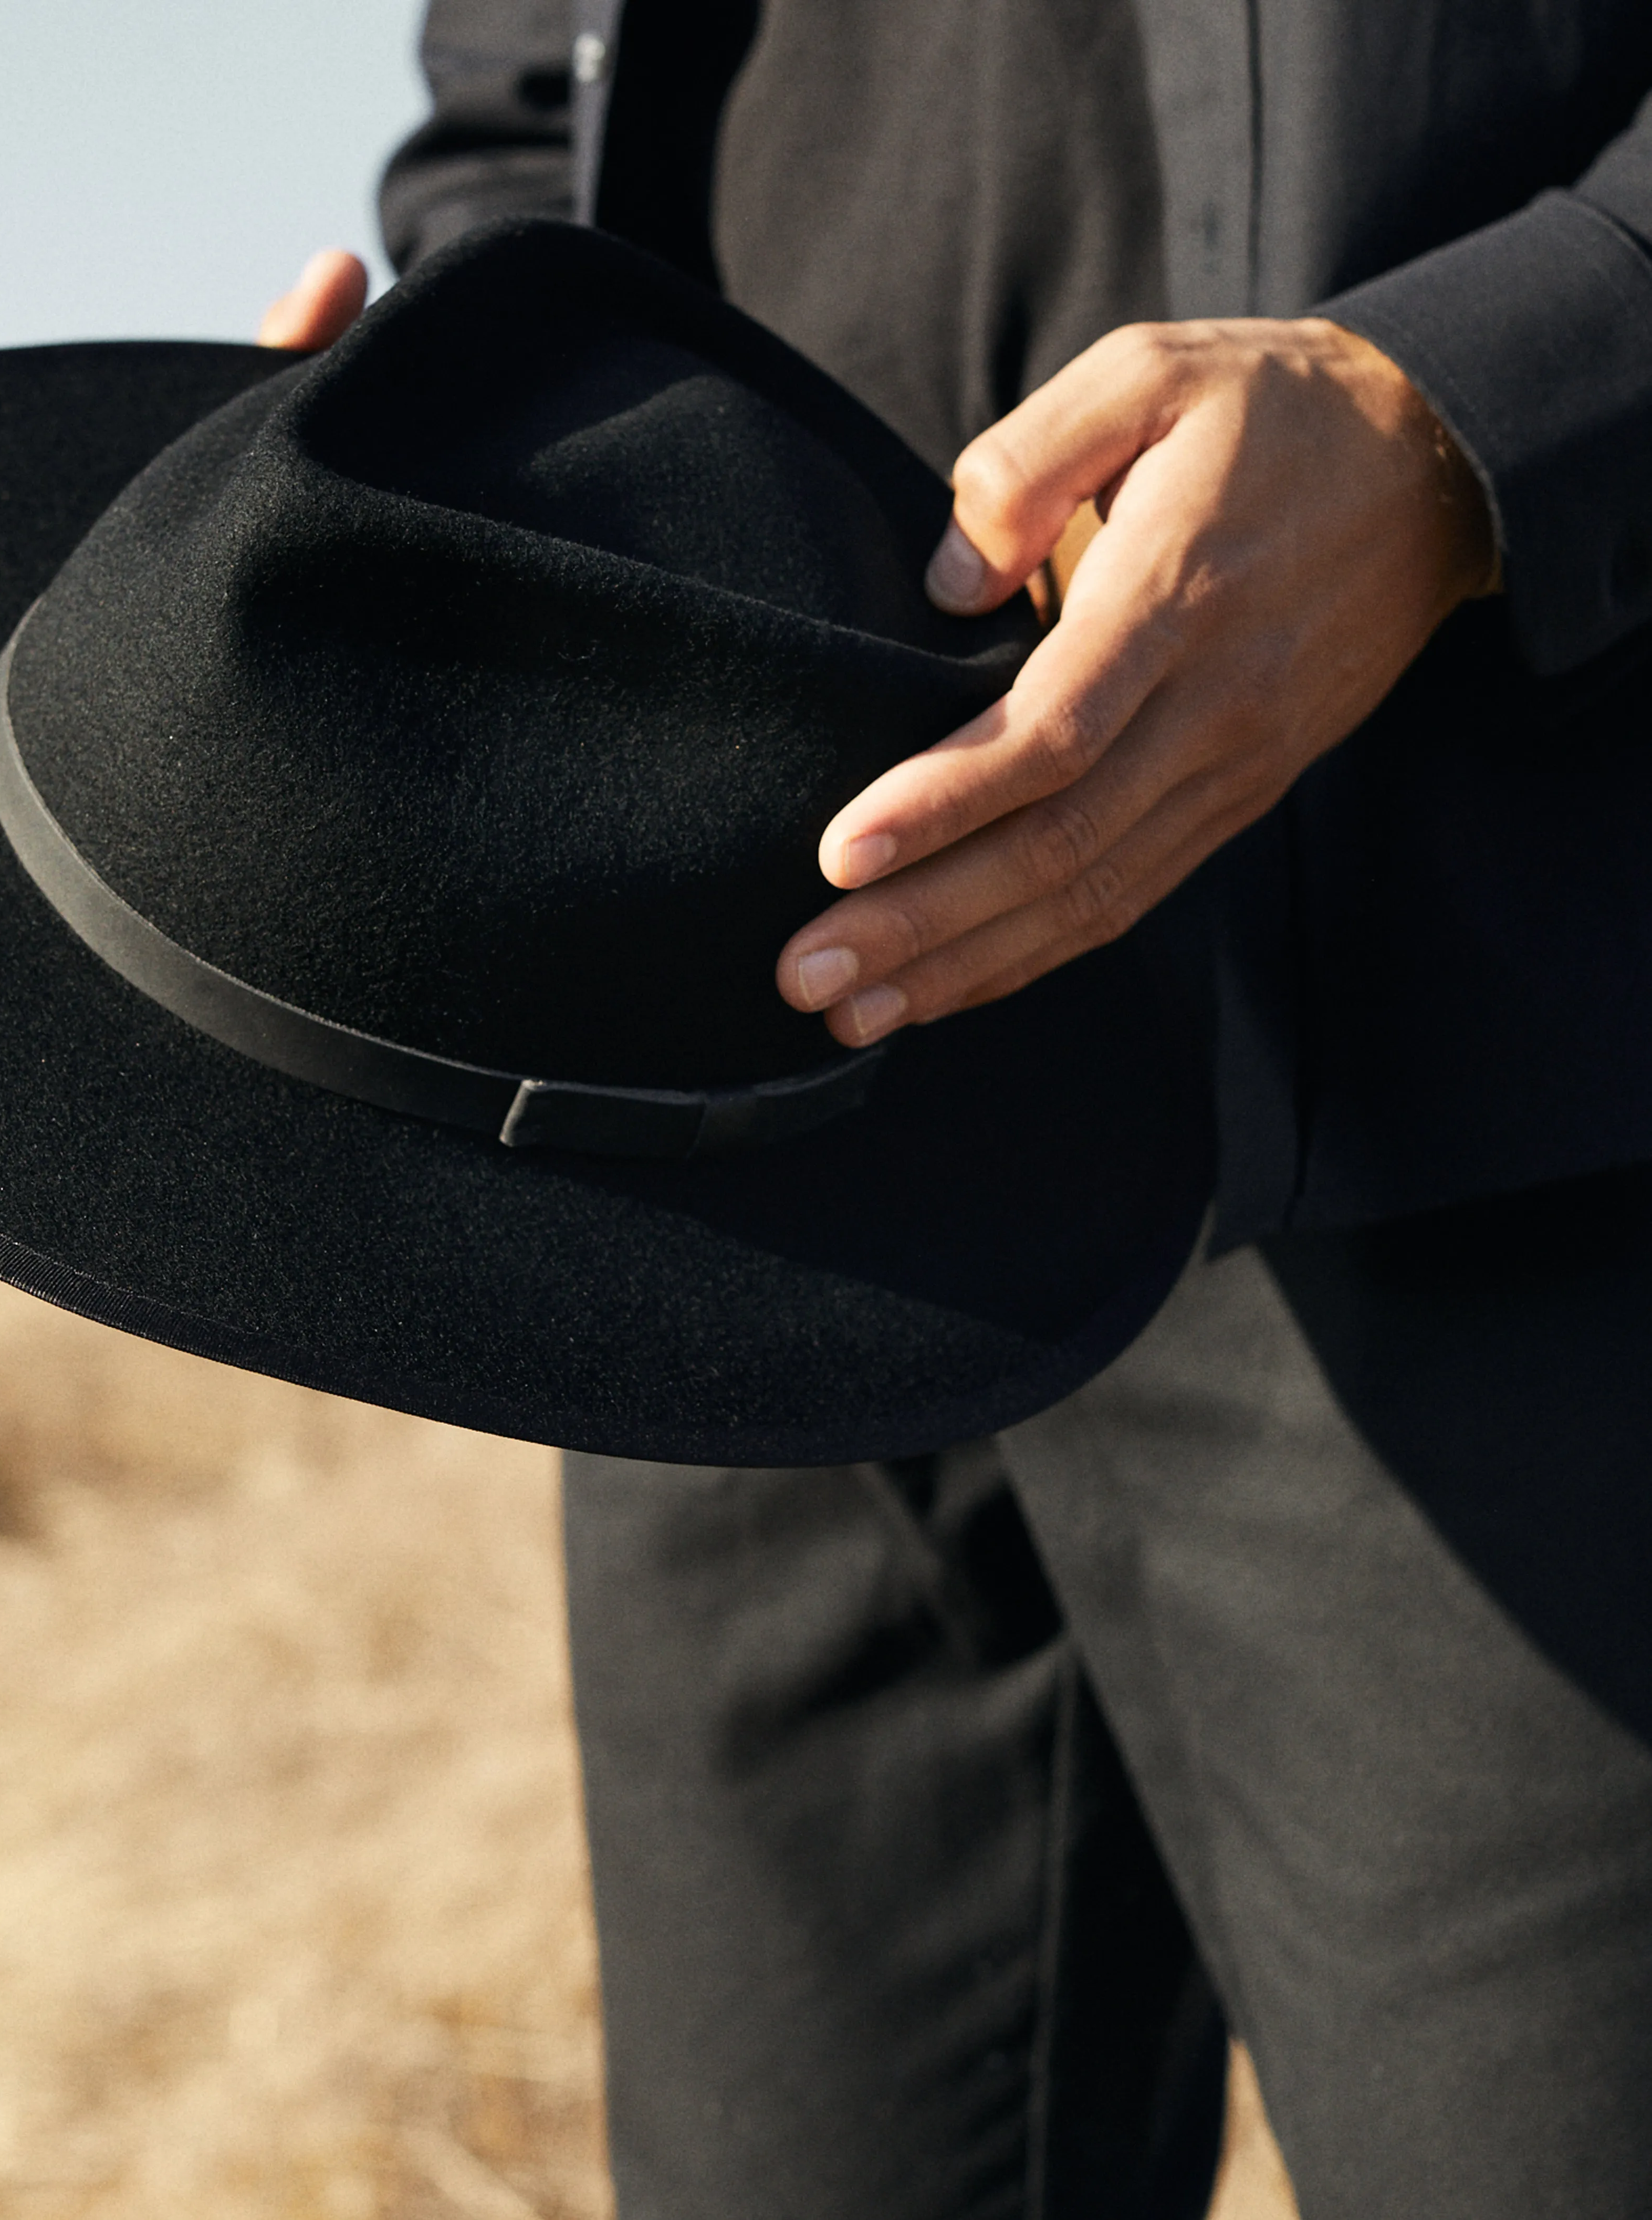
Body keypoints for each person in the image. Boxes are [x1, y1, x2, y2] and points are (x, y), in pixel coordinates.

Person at [259, 8, 1652, 2214]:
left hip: (1527, 1040)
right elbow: (518, 93)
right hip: (753, 1118)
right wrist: (471, 391)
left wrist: (1493, 400)